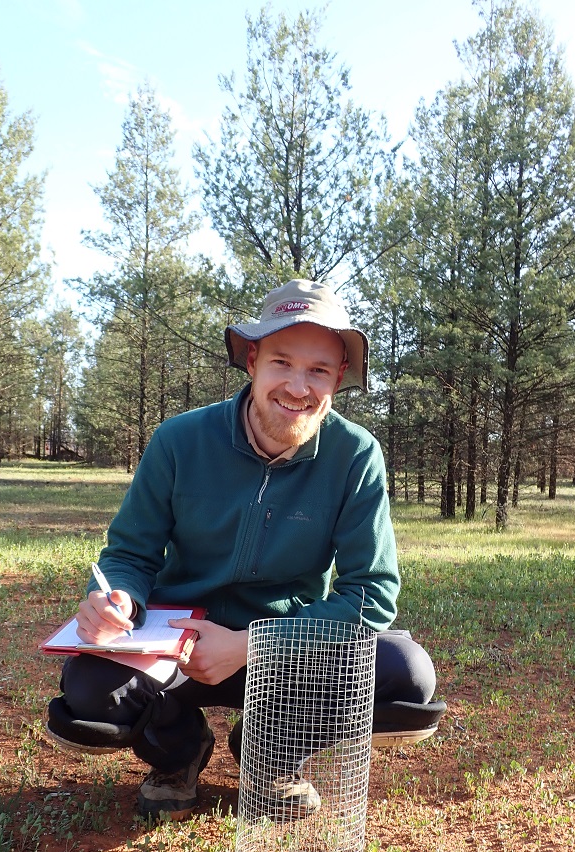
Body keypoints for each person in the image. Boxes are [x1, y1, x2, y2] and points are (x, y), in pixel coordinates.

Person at [46, 278, 445, 820]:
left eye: (319, 370)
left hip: (287, 647)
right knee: (90, 689)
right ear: (253, 360)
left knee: (406, 675)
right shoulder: (179, 440)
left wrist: (254, 644)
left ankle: (271, 758)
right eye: (282, 362)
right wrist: (115, 597)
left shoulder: (355, 455)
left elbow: (370, 595)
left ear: (339, 378)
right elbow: (131, 555)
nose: (298, 387)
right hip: (177, 645)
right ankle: (178, 754)